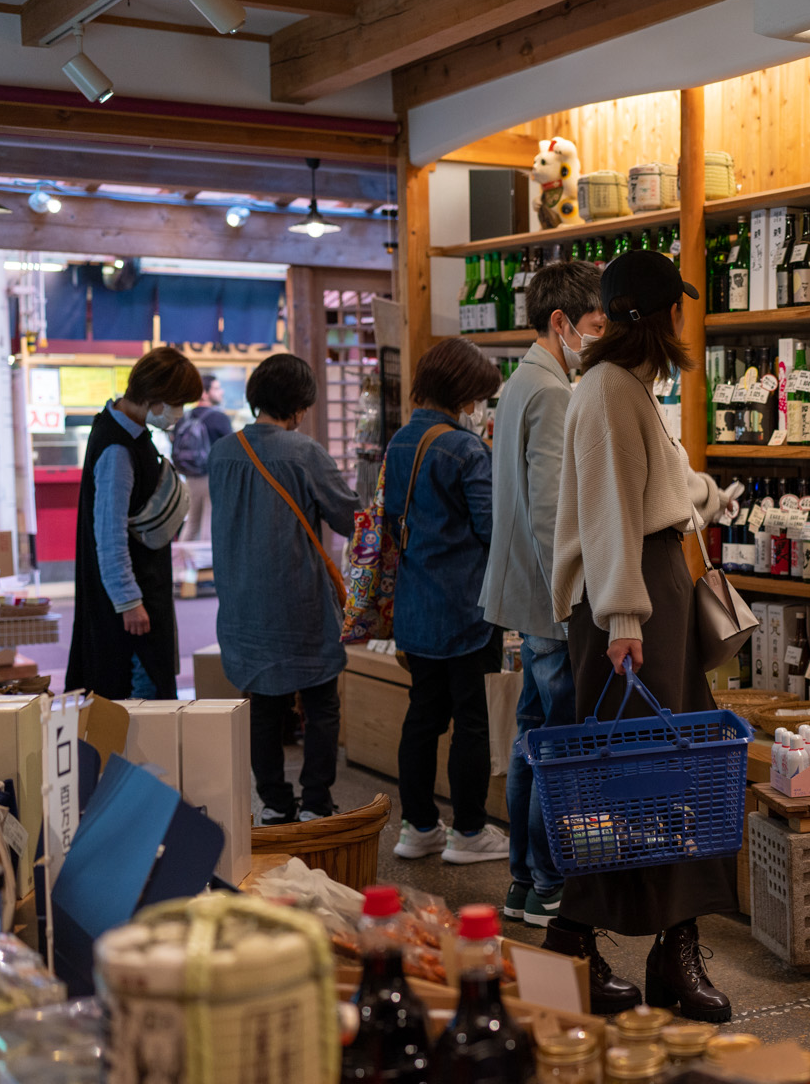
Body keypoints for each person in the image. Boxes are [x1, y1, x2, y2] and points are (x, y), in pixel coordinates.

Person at [550, 249, 739, 1022]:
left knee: (670, 776)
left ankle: (669, 947)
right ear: (660, 317)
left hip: (646, 596)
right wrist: (625, 618)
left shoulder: (623, 389)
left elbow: (653, 484)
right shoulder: (604, 392)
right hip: (624, 610)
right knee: (634, 781)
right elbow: (607, 515)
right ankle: (574, 942)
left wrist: (706, 495)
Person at [481, 260, 599, 935]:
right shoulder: (554, 393)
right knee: (555, 740)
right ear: (560, 324)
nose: (597, 339)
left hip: (520, 591)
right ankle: (549, 879)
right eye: (592, 327)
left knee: (533, 737)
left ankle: (523, 883)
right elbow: (553, 511)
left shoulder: (520, 381)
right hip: (550, 597)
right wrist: (573, 598)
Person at [208, 354, 359, 824]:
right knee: (320, 704)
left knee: (263, 709)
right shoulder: (303, 452)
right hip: (300, 601)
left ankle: (274, 803)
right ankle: (316, 801)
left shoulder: (222, 453)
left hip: (242, 604)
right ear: (298, 406)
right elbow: (349, 517)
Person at [386, 339, 509, 865]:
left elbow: (394, 521)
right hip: (466, 610)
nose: (479, 407)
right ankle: (469, 832)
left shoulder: (399, 442)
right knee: (472, 722)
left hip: (417, 607)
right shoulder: (465, 450)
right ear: (462, 393)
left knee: (422, 718)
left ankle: (417, 828)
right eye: (478, 397)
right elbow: (492, 529)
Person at [68, 346, 202, 699]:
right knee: (141, 708)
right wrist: (128, 601)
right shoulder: (117, 449)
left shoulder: (128, 431)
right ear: (154, 397)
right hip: (131, 606)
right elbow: (108, 534)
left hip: (145, 591)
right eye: (176, 404)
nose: (178, 413)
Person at [174, 373, 235, 543]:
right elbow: (232, 447)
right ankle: (207, 567)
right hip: (212, 477)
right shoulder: (219, 418)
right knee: (209, 522)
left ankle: (182, 566)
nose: (221, 392)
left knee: (192, 523)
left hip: (190, 478)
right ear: (204, 393)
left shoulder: (185, 417)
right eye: (216, 388)